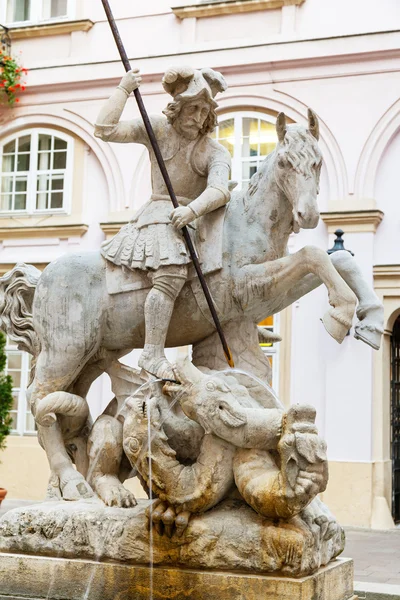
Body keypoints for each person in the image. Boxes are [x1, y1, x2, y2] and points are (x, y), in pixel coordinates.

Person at [95, 66, 231, 380]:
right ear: (177, 107)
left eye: (203, 110)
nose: (197, 116)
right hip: (160, 216)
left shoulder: (213, 150)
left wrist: (193, 210)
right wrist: (123, 89)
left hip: (198, 218)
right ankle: (153, 353)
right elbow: (104, 128)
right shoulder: (157, 128)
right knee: (170, 273)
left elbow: (220, 188)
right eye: (192, 108)